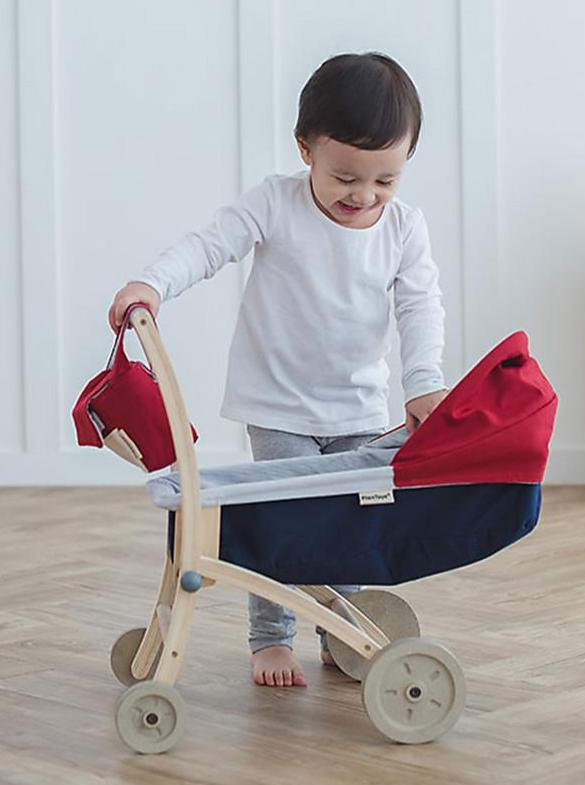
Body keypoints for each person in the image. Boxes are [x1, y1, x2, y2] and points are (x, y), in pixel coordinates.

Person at [108, 52, 447, 688]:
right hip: (279, 404)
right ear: (305, 150)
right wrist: (151, 285)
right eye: (346, 176)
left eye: (385, 181)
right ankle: (270, 637)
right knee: (282, 519)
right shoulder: (275, 203)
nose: (364, 195)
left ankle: (339, 628)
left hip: (360, 409)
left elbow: (419, 306)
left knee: (348, 524)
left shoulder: (404, 228)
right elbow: (208, 247)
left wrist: (423, 381)